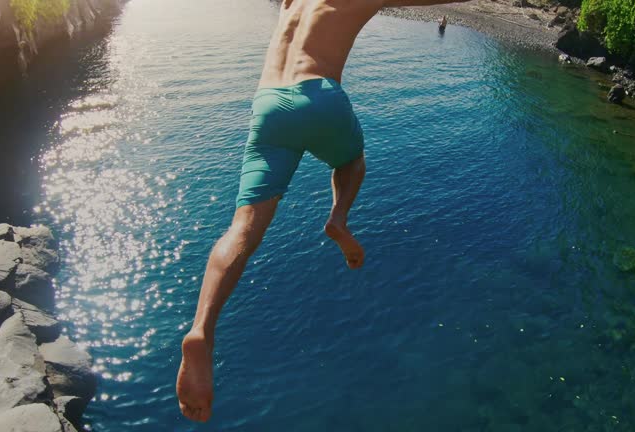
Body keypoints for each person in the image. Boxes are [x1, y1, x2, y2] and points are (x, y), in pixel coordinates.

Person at [176, 0, 468, 423]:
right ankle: (338, 218)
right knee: (351, 162)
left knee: (243, 227)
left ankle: (202, 328)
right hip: (319, 93)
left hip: (268, 104)